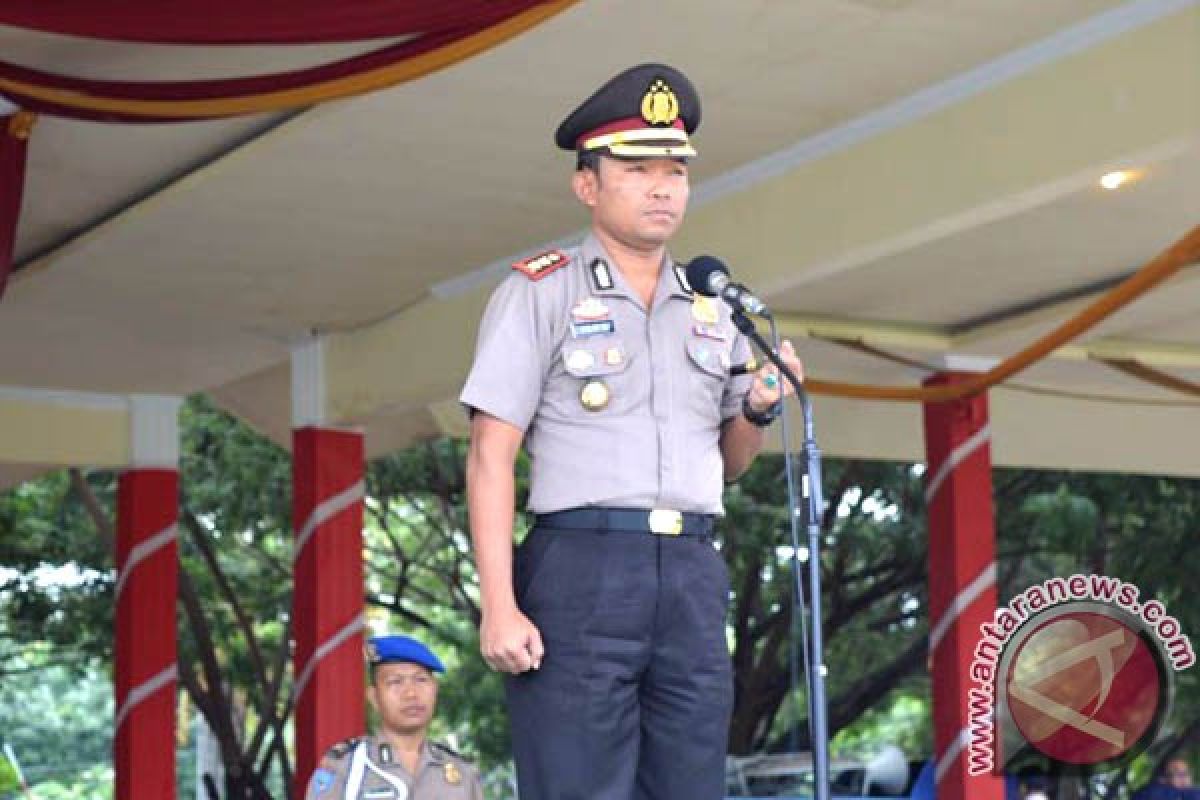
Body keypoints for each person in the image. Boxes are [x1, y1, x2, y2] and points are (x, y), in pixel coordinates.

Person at [460, 63, 803, 800]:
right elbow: (492, 454)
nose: (662, 187)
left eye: (675, 170)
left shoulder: (714, 307)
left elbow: (732, 464)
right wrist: (499, 601)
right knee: (579, 785)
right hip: (580, 565)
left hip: (690, 571)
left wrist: (758, 408)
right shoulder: (539, 291)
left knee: (689, 785)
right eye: (638, 168)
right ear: (587, 185)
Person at [305, 635, 483, 800]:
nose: (411, 693)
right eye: (395, 682)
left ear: (435, 689)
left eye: (420, 680)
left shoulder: (461, 771)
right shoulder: (345, 766)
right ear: (374, 697)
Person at [1133, 758, 1198, 800]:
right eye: (1177, 773)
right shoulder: (1151, 792)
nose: (1184, 777)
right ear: (1162, 779)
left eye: (1186, 773)